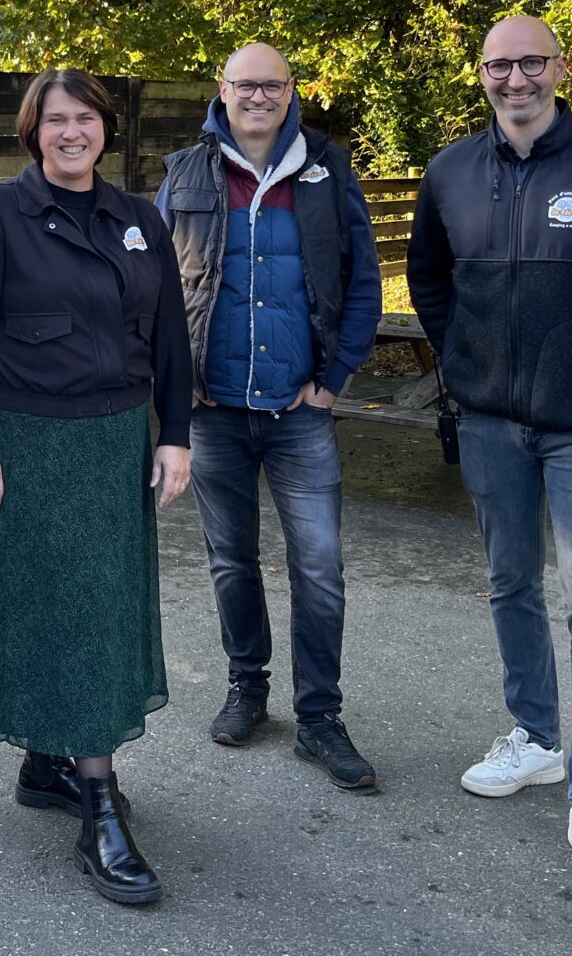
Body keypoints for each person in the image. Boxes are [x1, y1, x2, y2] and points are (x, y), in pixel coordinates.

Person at [405, 15, 572, 894]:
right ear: (480, 73)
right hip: (490, 425)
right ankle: (536, 737)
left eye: (531, 62)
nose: (515, 78)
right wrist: (465, 366)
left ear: (559, 68)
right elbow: (430, 281)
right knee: (508, 582)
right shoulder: (450, 172)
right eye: (498, 64)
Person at [0, 68, 193, 907]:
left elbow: (173, 339)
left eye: (85, 118)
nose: (71, 132)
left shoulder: (139, 220)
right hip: (28, 441)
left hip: (116, 442)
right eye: (56, 120)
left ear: (106, 131)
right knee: (57, 605)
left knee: (94, 606)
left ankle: (51, 764)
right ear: (32, 131)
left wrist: (176, 435)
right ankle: (99, 808)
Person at [156, 43, 384, 789]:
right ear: (222, 90)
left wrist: (335, 375)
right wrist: (173, 381)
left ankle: (319, 717)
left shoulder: (327, 169)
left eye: (272, 84)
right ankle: (246, 689)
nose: (258, 95)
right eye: (245, 84)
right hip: (213, 411)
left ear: (292, 93)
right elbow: (152, 282)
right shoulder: (187, 171)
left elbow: (361, 279)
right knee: (231, 560)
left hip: (299, 413)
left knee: (319, 567)